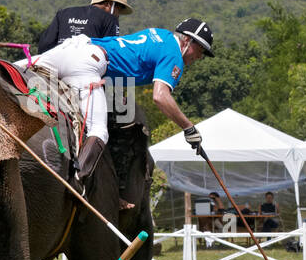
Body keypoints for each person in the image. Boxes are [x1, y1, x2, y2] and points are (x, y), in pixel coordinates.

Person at [19, 18, 215, 180]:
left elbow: (128, 61)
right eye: (201, 50)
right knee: (99, 131)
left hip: (70, 48)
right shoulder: (174, 55)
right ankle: (77, 183)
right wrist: (188, 128)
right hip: (89, 63)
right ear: (188, 41)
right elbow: (160, 96)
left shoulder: (161, 34)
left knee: (16, 70)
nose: (199, 57)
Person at [36, 0, 132, 53]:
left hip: (56, 65)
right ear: (109, 5)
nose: (118, 15)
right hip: (86, 71)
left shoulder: (63, 13)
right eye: (118, 10)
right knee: (129, 81)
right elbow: (112, 52)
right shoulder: (110, 19)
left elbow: (44, 45)